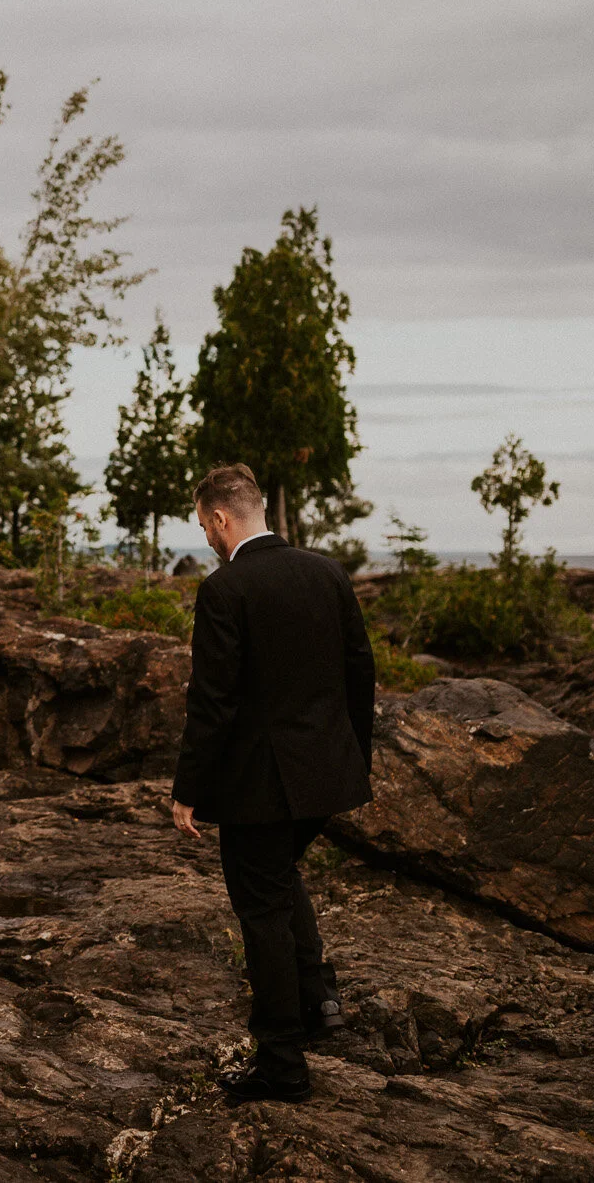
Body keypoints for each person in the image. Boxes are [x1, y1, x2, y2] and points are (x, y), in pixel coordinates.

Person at [172, 463, 376, 1103]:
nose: (207, 537)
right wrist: (352, 759)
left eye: (206, 525)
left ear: (222, 519)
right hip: (327, 775)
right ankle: (320, 1003)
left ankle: (282, 1064)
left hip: (260, 787)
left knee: (260, 910)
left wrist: (188, 789)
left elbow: (213, 702)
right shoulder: (326, 572)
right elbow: (360, 673)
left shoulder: (225, 591)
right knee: (280, 875)